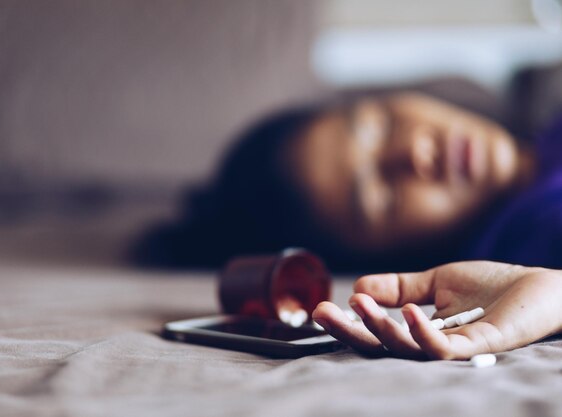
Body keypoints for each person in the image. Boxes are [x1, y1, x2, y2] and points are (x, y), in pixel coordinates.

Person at [132, 90, 562, 359]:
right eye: (382, 199)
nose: (413, 153)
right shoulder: (537, 234)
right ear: (397, 259)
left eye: (381, 125)